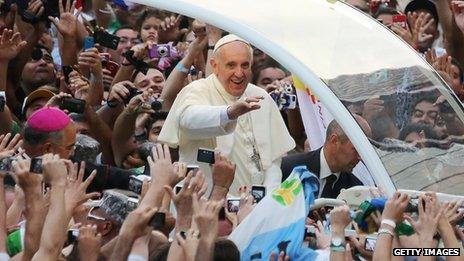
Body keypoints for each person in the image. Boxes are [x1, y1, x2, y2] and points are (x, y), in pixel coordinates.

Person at [158, 34, 295, 195]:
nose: (239, 73)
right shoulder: (198, 89)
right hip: (205, 202)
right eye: (231, 65)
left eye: (245, 65)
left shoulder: (262, 96)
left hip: (253, 207)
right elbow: (187, 120)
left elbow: (273, 160)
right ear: (214, 65)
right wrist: (229, 113)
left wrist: (268, 199)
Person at [280, 115, 372, 198]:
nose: (361, 157)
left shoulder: (354, 189)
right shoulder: (288, 169)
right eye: (356, 150)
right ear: (334, 140)